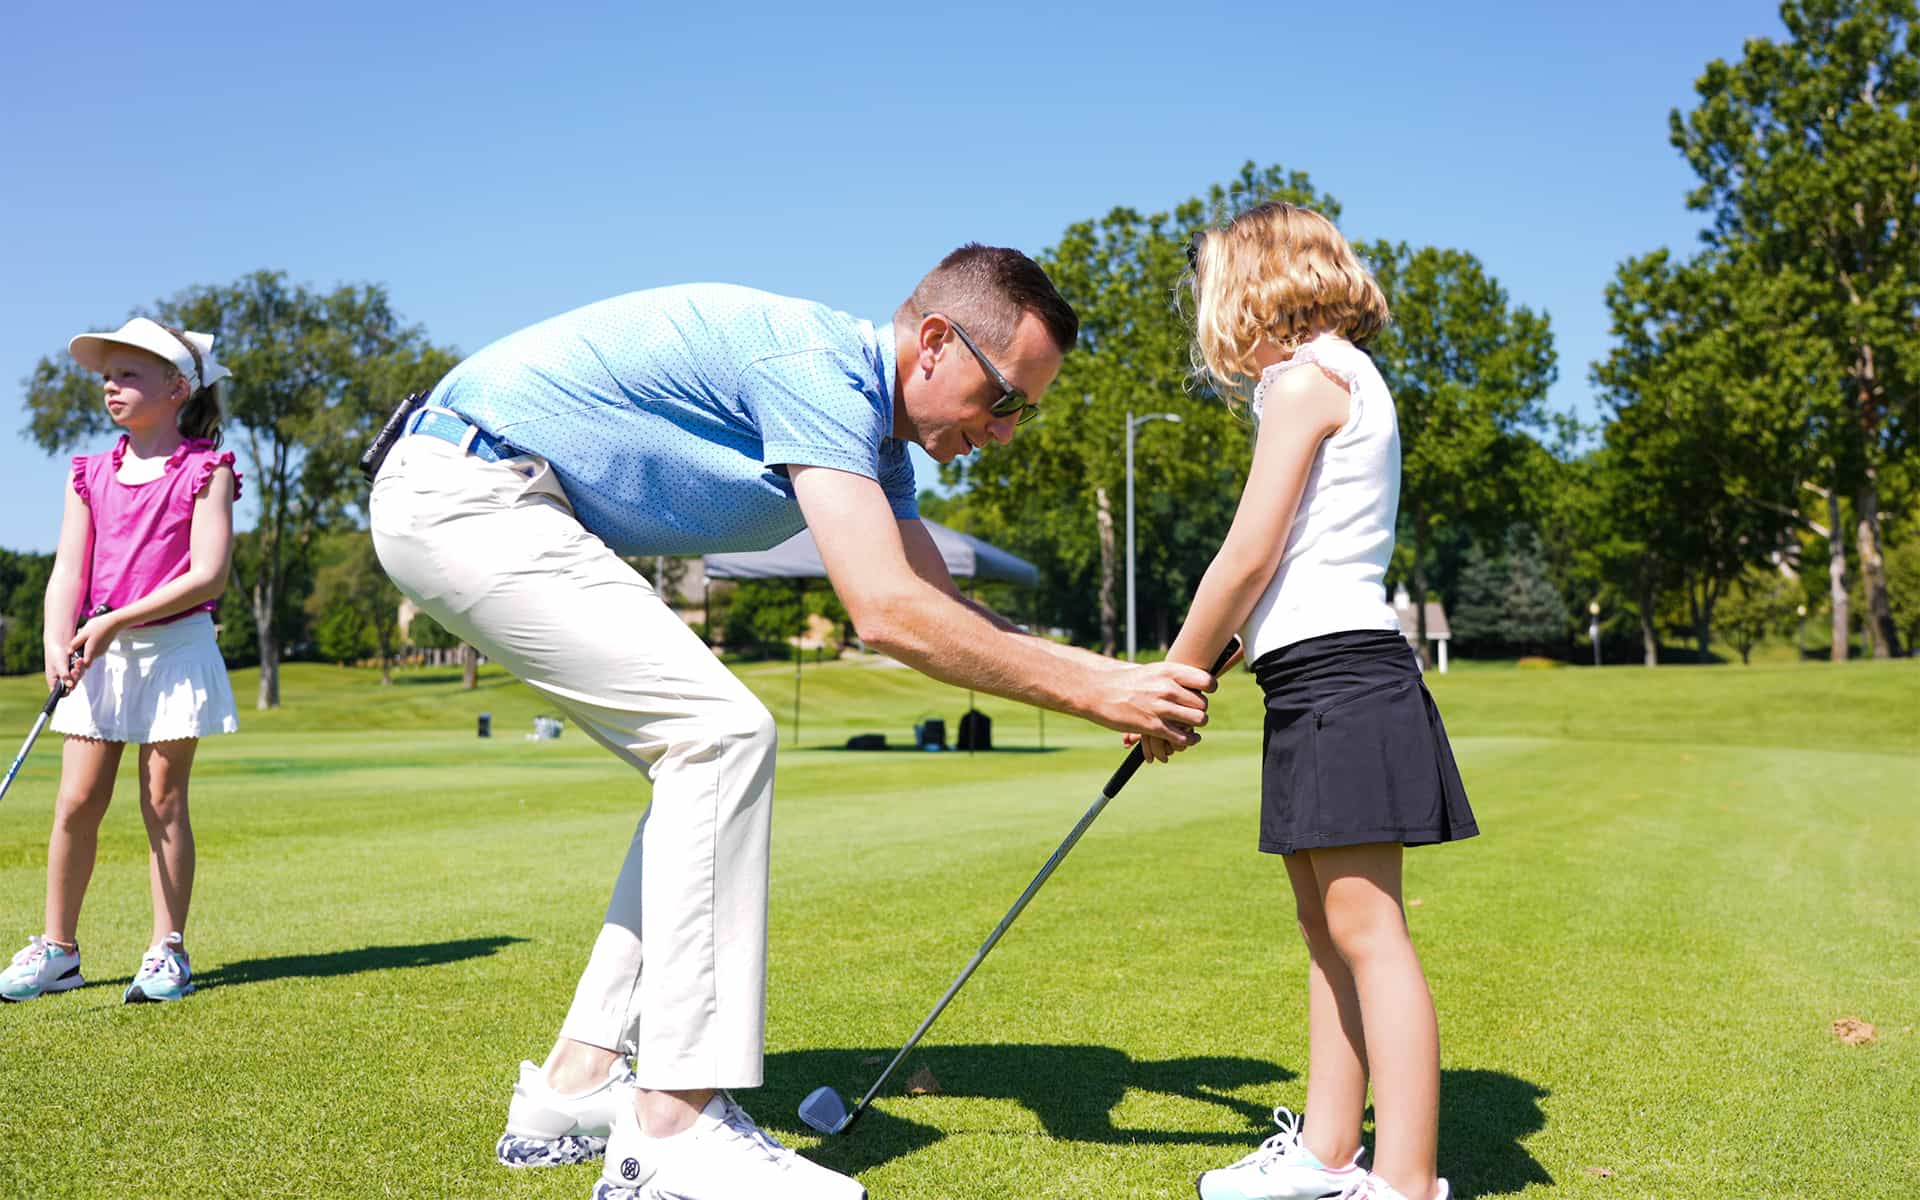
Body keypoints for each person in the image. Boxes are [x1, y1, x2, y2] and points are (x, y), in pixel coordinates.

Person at [367, 244, 1216, 1200]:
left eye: (1027, 411)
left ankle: (576, 1083)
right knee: (721, 736)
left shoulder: (873, 443)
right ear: (937, 342)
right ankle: (674, 1128)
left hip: (493, 498)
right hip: (472, 490)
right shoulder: (820, 368)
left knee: (701, 755)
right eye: (1006, 398)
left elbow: (938, 603)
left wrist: (1112, 680)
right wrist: (1095, 693)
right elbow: (885, 614)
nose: (1008, 431)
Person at [1148, 205, 1475, 1200]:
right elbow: (1289, 563)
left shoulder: (1306, 380)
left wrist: (1171, 677)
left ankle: (1407, 1180)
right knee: (1326, 927)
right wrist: (1218, 660)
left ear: (1259, 286)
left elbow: (1247, 555)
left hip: (1344, 679)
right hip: (1307, 679)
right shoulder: (1333, 375)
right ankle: (1329, 1154)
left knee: (1368, 931)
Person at [0, 318, 242, 1006]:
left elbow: (209, 575)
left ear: (176, 388)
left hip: (174, 647)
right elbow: (67, 571)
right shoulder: (89, 472)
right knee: (77, 800)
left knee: (163, 799)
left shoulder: (207, 471)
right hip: (99, 651)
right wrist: (55, 641)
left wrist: (112, 621)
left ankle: (168, 949)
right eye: (108, 376)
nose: (111, 386)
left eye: (129, 374)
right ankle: (58, 950)